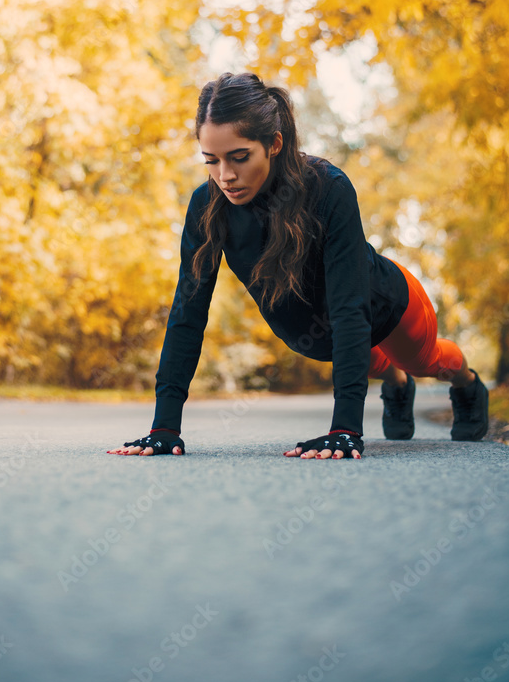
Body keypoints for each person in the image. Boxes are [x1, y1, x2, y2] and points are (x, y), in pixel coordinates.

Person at [107, 72, 489, 460]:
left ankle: (467, 383)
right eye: (211, 160)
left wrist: (345, 430)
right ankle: (394, 381)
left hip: (387, 306)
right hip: (319, 336)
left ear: (274, 144)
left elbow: (350, 309)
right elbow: (187, 312)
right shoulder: (206, 209)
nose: (225, 176)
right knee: (368, 359)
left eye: (239, 157)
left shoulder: (328, 187)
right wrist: (163, 428)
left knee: (425, 362)